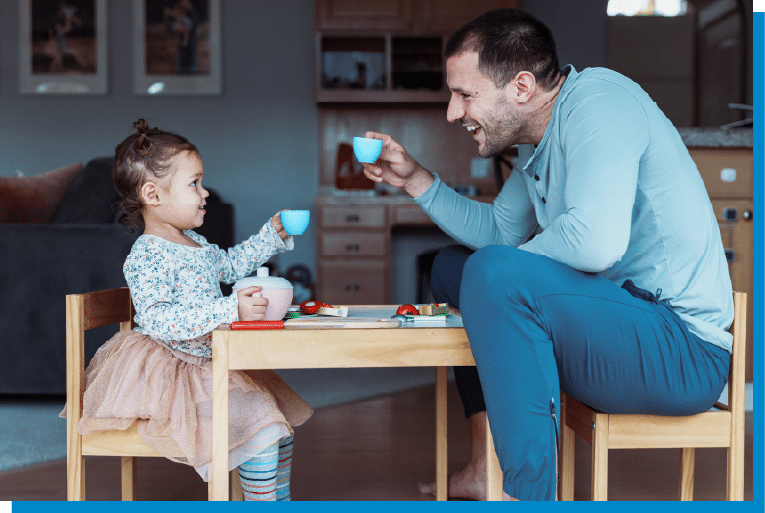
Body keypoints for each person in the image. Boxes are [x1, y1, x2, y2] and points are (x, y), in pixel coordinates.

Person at [361, 8, 733, 501]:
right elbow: (498, 232)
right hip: (617, 325)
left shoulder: (600, 102)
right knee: (456, 267)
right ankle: (484, 466)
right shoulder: (538, 143)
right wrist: (415, 180)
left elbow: (594, 243)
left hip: (681, 351)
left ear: (520, 87)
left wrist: (500, 278)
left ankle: (529, 496)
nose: (453, 112)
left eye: (465, 94)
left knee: (491, 275)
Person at [62, 119, 312, 501]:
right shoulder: (147, 254)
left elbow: (228, 266)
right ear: (153, 194)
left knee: (278, 428)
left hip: (206, 360)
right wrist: (230, 308)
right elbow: (162, 320)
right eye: (193, 183)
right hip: (171, 370)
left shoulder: (194, 241)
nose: (205, 192)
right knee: (263, 428)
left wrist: (270, 236)